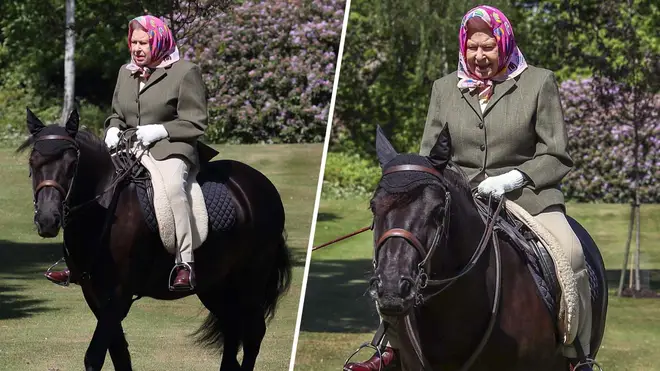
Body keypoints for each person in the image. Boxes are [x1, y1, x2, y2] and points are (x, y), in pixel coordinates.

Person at [344, 5, 594, 371]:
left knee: (571, 255)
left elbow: (556, 155)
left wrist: (514, 178)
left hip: (528, 198)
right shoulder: (444, 88)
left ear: (504, 43)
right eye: (472, 47)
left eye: (488, 47)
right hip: (460, 200)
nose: (479, 56)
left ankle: (577, 355)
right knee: (403, 253)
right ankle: (392, 347)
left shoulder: (539, 82)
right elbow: (432, 157)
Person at [45, 14, 210, 292]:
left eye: (143, 43)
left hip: (170, 148)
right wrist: (112, 128)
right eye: (133, 42)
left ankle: (184, 263)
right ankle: (75, 262)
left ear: (158, 41)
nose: (137, 48)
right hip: (129, 148)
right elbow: (117, 115)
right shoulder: (126, 71)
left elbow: (196, 122)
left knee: (172, 190)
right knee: (88, 186)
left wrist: (161, 130)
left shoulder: (185, 72)